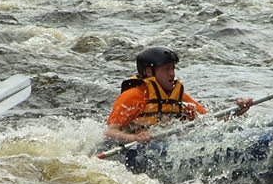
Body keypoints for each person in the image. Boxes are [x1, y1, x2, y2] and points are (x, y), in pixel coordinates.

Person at [104, 46, 254, 144]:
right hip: (138, 145)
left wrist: (237, 110)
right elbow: (110, 132)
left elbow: (209, 121)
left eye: (173, 68)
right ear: (149, 72)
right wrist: (134, 138)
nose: (172, 74)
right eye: (166, 69)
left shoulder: (178, 96)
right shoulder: (132, 96)